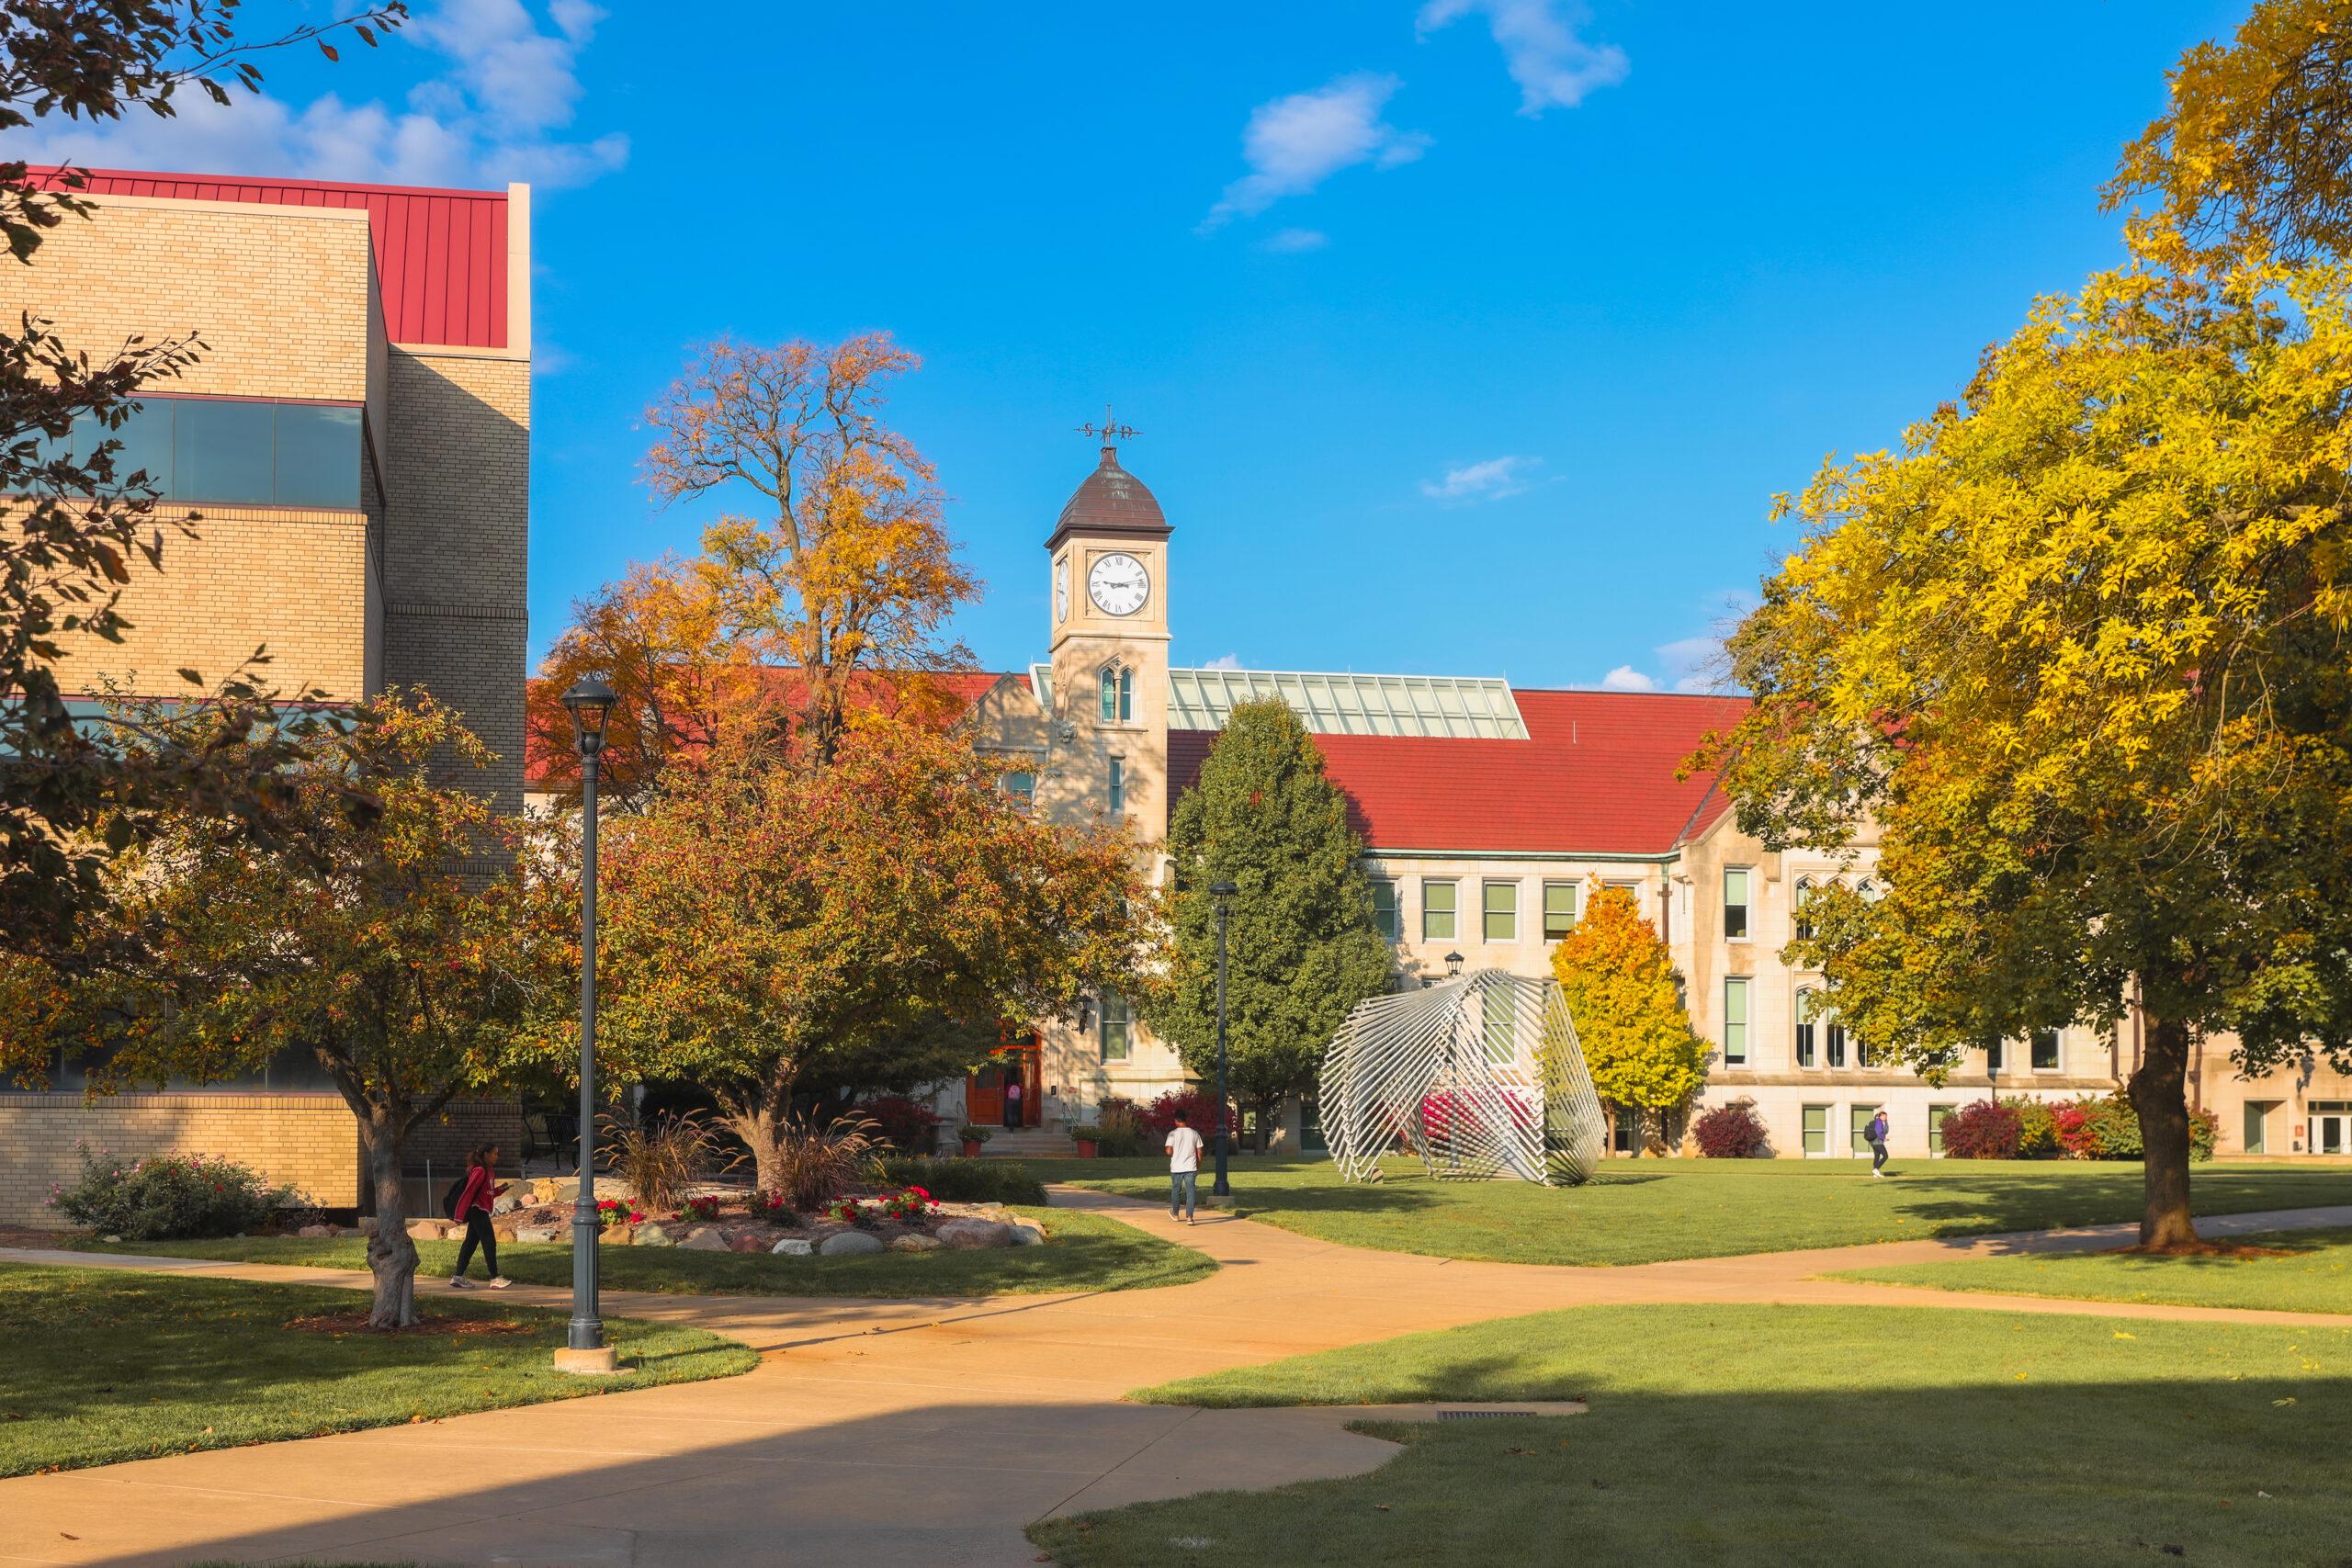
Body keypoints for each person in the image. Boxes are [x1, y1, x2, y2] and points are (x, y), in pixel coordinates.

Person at [448, 1143, 512, 1289]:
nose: (497, 1156)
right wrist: (459, 1214)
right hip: (477, 1210)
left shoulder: (489, 1171)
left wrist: (499, 1191)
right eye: (495, 1153)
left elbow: (487, 1193)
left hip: (481, 1210)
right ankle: (495, 1277)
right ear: (486, 1155)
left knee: (470, 1243)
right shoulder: (480, 1171)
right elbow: (469, 1192)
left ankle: (458, 1276)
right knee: (489, 1242)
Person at [1165, 1109, 1204, 1224]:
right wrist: (1198, 1165)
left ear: (1176, 1120)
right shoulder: (1194, 1133)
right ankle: (1189, 1217)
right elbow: (1200, 1152)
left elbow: (1168, 1151)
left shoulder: (1172, 1134)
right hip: (1191, 1167)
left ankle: (1176, 1214)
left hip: (1176, 1167)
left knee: (1176, 1190)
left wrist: (1172, 1151)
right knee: (1190, 1191)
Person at [1866, 1109, 1891, 1178]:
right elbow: (1878, 1131)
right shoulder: (1878, 1122)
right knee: (1885, 1156)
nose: (1886, 1118)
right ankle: (1876, 1169)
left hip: (1874, 1142)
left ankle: (1875, 1174)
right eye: (1885, 1116)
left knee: (1877, 1157)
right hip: (1877, 1142)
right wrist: (1883, 1138)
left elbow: (1886, 1131)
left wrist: (1886, 1122)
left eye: (1886, 1117)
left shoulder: (1882, 1122)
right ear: (1881, 1116)